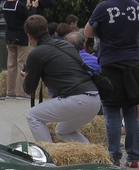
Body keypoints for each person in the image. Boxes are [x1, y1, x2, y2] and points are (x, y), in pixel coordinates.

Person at [85, 0, 139, 167]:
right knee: (131, 110)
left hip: (111, 61)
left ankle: (114, 156)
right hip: (133, 60)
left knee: (112, 111)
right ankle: (134, 156)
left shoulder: (103, 8)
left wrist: (103, 35)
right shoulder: (136, 6)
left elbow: (87, 31)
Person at [22, 15, 101, 144]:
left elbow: (29, 88)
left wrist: (27, 75)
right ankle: (92, 155)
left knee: (32, 115)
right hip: (94, 99)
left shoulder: (36, 53)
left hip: (76, 99)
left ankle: (48, 157)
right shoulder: (66, 44)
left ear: (29, 36)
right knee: (63, 130)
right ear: (46, 29)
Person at [1, 0, 34, 99]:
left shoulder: (5, 4)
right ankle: (20, 92)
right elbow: (29, 18)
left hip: (9, 36)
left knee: (11, 65)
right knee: (22, 64)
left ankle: (10, 91)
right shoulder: (19, 5)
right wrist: (31, 7)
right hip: (21, 36)